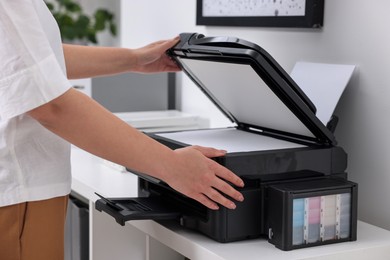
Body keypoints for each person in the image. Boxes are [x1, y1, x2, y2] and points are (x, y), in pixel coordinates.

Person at [0, 1, 244, 259]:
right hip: (16, 194)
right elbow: (53, 106)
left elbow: (32, 60)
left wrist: (134, 59)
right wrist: (172, 166)